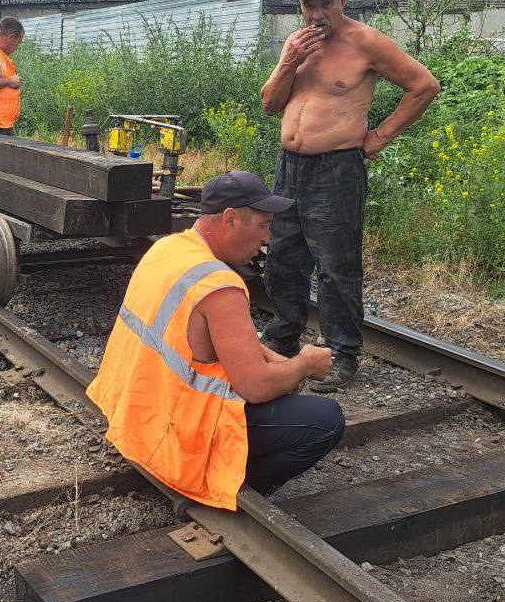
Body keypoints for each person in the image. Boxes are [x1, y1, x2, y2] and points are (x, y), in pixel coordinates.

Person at [87, 171, 343, 509]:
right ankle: (220, 485)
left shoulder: (169, 248)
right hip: (178, 435)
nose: (267, 238)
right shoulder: (219, 285)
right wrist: (303, 365)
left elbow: (210, 338)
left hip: (138, 415)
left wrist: (276, 360)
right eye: (264, 226)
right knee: (327, 420)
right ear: (232, 219)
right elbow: (256, 386)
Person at [259, 0, 440, 392]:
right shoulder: (297, 44)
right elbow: (271, 104)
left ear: (342, 1)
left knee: (336, 265)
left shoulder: (366, 42)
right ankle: (284, 335)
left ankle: (342, 352)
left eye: (325, 2)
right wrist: (289, 62)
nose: (317, 13)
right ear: (300, 6)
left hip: (336, 169)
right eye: (309, 4)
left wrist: (380, 136)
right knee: (284, 256)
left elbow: (424, 85)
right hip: (290, 166)